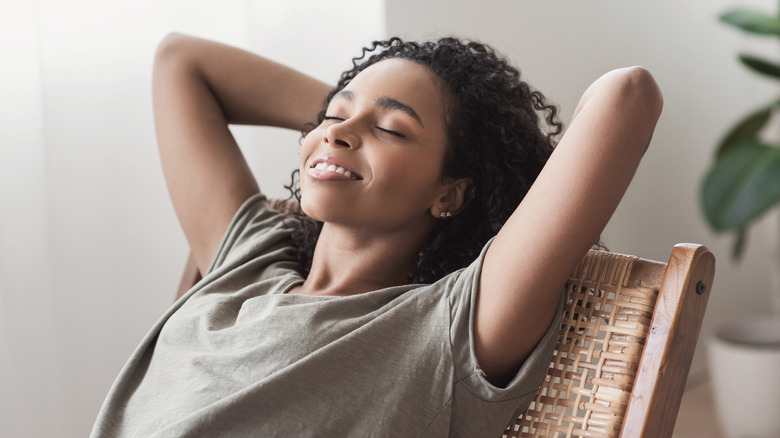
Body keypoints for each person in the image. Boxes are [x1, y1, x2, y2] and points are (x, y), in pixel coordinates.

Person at [91, 34, 662, 437]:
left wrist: (498, 171)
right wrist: (358, 129)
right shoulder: (248, 261)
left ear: (451, 193)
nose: (337, 131)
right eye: (332, 115)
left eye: (392, 128)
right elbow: (180, 60)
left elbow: (628, 95)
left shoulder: (444, 331)